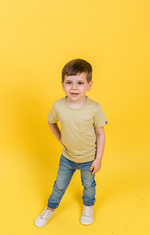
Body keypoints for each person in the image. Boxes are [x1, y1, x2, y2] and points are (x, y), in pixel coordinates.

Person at [35, 58, 108, 227]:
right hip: (67, 158)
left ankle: (88, 206)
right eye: (69, 82)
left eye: (80, 83)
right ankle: (50, 208)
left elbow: (100, 133)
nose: (74, 88)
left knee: (88, 184)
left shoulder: (95, 108)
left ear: (89, 85)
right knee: (59, 185)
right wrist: (60, 138)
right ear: (62, 84)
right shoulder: (58, 105)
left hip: (89, 158)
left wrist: (98, 159)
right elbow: (51, 121)